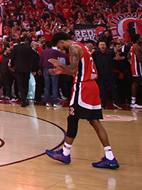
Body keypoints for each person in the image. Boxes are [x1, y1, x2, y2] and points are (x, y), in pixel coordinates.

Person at [45, 32, 119, 169]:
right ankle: (110, 157)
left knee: (72, 118)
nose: (60, 50)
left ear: (61, 42)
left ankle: (65, 153)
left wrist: (59, 65)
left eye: (59, 47)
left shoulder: (74, 48)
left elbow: (73, 71)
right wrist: (62, 71)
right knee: (95, 121)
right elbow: (78, 69)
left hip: (83, 86)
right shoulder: (82, 47)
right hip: (93, 86)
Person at [10, 37, 38, 106]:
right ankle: (25, 98)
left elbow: (12, 58)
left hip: (18, 68)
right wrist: (34, 69)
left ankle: (23, 98)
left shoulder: (16, 48)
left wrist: (12, 66)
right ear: (25, 40)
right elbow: (33, 59)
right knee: (26, 83)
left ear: (19, 40)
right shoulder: (28, 48)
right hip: (27, 68)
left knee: (20, 84)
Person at [40, 40, 67, 107]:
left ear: (45, 45)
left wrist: (40, 69)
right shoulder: (55, 51)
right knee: (54, 86)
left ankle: (48, 102)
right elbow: (64, 55)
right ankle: (55, 102)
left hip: (45, 69)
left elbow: (41, 61)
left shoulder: (43, 52)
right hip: (53, 68)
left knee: (47, 86)